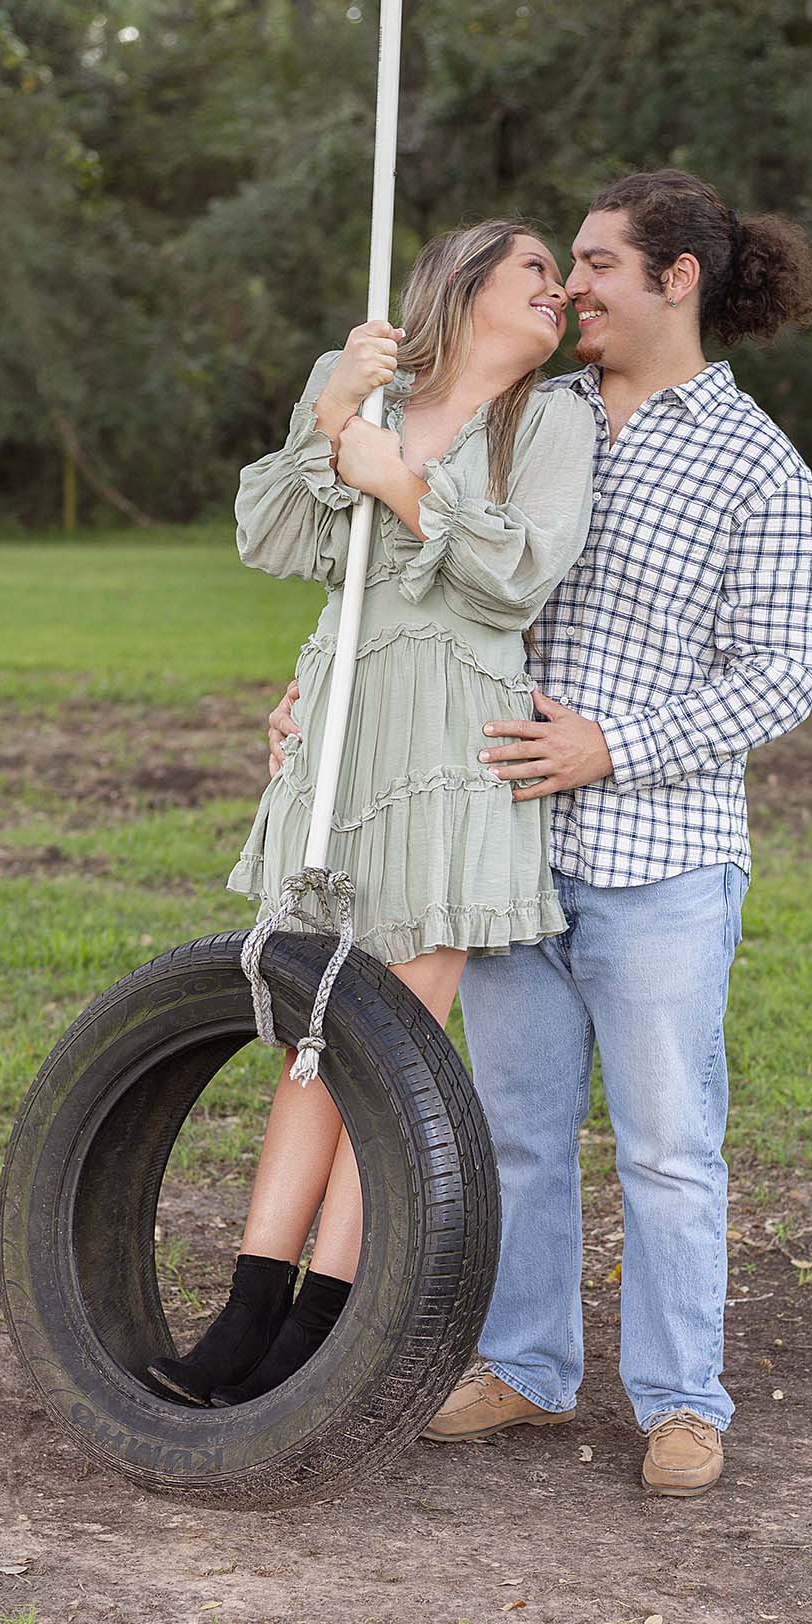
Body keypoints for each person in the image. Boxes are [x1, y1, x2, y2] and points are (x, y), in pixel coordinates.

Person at [268, 169, 812, 1496]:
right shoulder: (539, 410)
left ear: (674, 280)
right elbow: (406, 560)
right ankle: (525, 1366)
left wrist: (612, 742)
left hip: (662, 856)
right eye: (562, 263)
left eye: (593, 263)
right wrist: (327, 671)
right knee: (514, 1128)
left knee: (664, 1142)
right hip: (503, 841)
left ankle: (681, 1398)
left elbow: (783, 672)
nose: (568, 286)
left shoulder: (755, 462)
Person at [148, 221, 596, 1407]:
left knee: (390, 1038)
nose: (557, 292)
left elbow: (517, 576)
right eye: (534, 272)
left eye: (560, 276)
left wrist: (395, 477)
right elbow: (272, 537)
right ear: (461, 286)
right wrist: (329, 412)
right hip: (344, 733)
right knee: (314, 1027)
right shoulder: (363, 387)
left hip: (458, 746)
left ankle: (320, 1325)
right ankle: (245, 1305)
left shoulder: (549, 423)